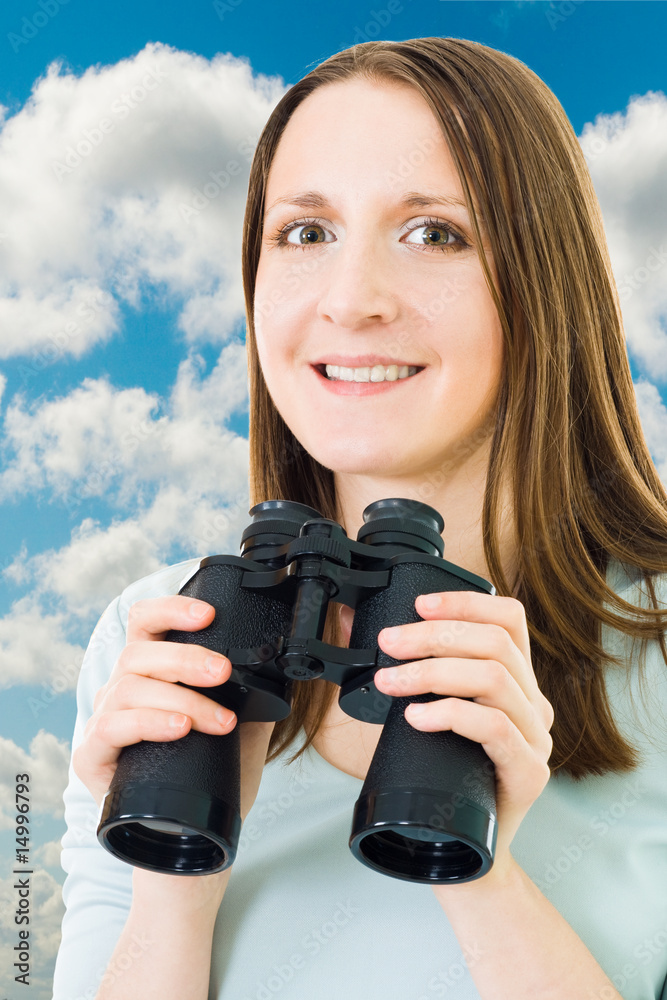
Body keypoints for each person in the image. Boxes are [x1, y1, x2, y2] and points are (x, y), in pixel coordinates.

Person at [52, 37, 667, 1000]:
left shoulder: (657, 639)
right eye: (304, 233)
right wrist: (177, 872)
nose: (351, 301)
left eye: (434, 233)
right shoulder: (157, 632)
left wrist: (478, 867)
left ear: (545, 278)